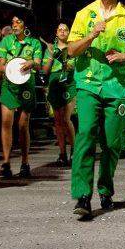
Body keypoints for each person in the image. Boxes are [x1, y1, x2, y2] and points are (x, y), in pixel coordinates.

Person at [67, 0, 125, 215]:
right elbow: (71, 50)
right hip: (89, 83)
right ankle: (82, 195)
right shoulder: (85, 13)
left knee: (112, 144)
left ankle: (105, 190)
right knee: (85, 136)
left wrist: (123, 56)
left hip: (118, 88)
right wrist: (91, 35)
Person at [0, 10, 43, 178]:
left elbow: (39, 64)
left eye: (18, 22)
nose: (14, 24)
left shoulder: (35, 43)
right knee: (6, 122)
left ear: (26, 25)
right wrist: (9, 68)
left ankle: (25, 162)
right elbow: (0, 65)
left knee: (23, 125)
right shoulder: (6, 41)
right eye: (13, 21)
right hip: (9, 86)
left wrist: (31, 63)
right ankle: (6, 162)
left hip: (26, 87)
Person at [42, 20, 77, 167]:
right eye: (60, 29)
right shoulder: (50, 48)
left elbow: (75, 66)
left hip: (69, 82)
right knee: (57, 121)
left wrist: (67, 63)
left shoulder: (73, 47)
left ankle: (74, 151)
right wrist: (51, 56)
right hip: (55, 82)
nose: (62, 31)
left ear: (69, 32)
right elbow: (44, 70)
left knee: (66, 118)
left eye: (65, 29)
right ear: (56, 33)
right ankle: (62, 153)